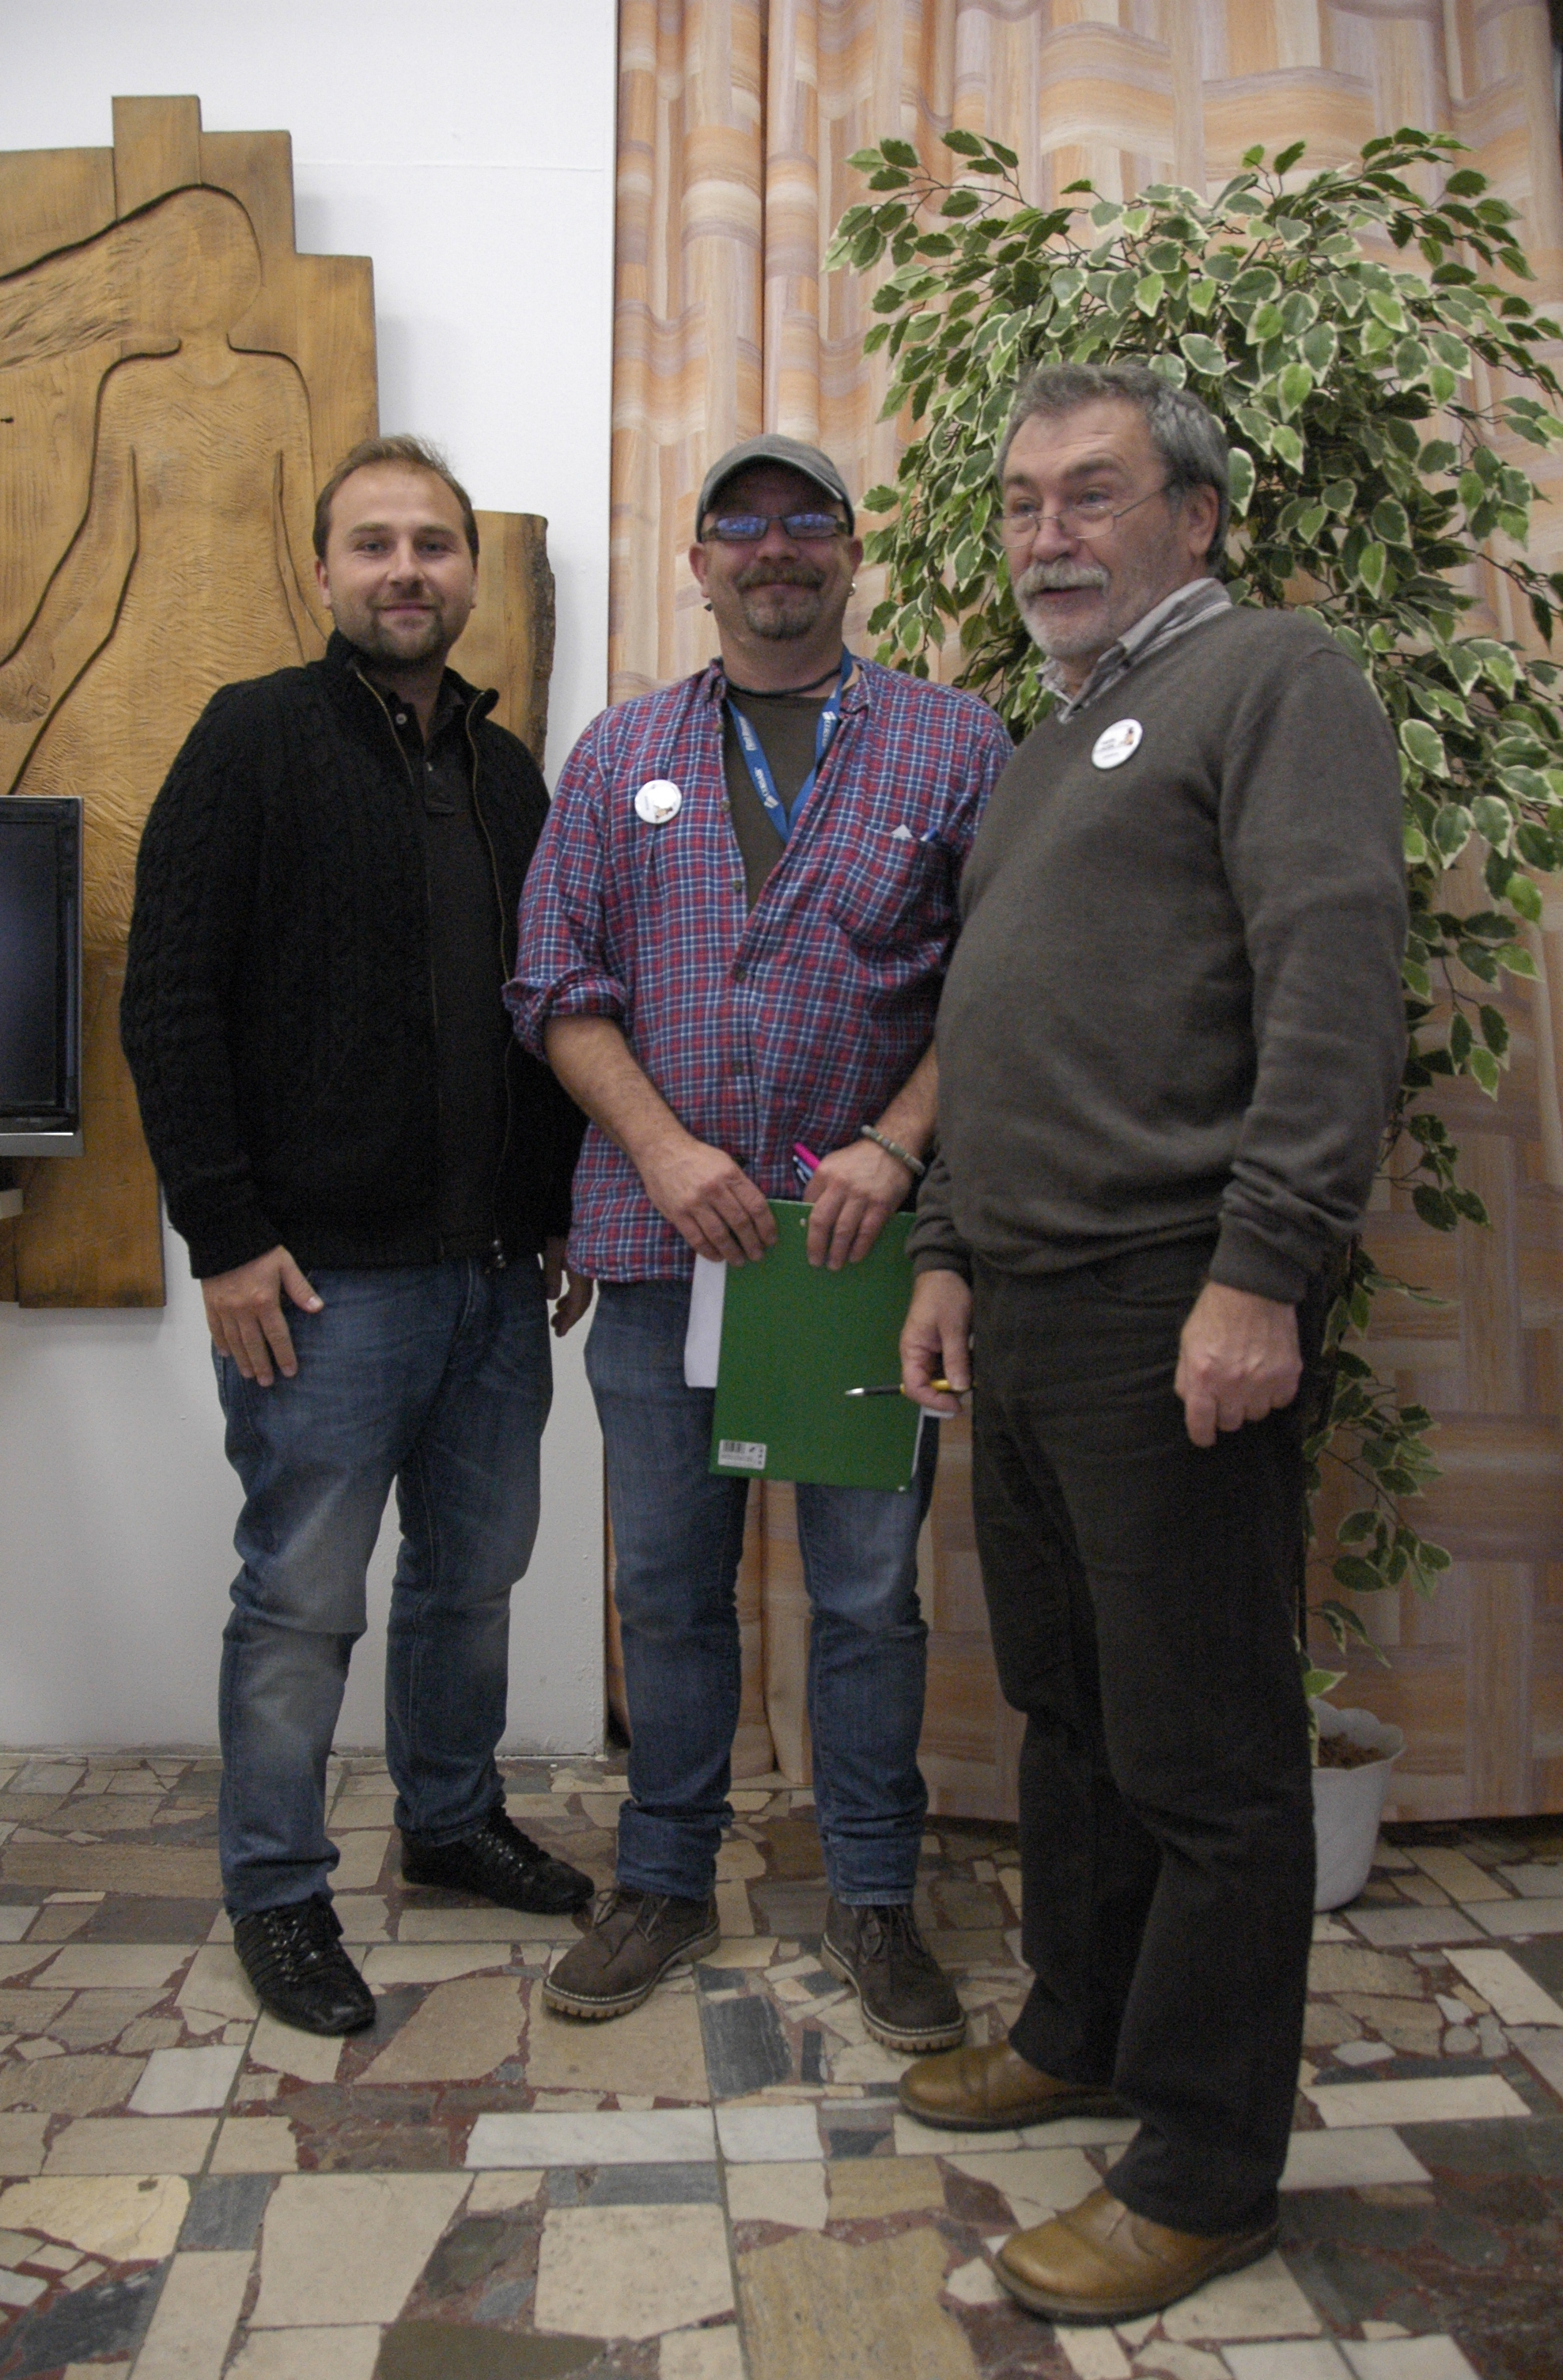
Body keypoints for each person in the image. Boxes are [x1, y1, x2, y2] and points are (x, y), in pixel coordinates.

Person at [896, 363, 1407, 2321]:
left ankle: (1202, 2168)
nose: (1049, 532)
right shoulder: (1050, 741)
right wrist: (946, 1249)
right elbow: (993, 1022)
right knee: (1069, 1713)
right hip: (1028, 1307)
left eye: (1092, 493)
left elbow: (1332, 978)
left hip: (1172, 1293)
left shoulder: (1277, 676)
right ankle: (1083, 2029)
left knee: (1204, 1760)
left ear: (1192, 514)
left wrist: (1262, 1268)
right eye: (1024, 500)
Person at [512, 433, 1012, 2046]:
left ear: (852, 552)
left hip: (854, 1264)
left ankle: (873, 1893)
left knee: (867, 1597)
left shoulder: (955, 743)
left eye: (808, 520)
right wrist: (659, 1150)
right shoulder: (620, 752)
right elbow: (554, 980)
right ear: (699, 560)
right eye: (742, 523)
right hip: (662, 1251)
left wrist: (897, 1143)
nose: (774, 547)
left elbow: (999, 979)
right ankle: (664, 1877)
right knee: (668, 1589)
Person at [122, 435, 592, 2038]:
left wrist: (551, 1207)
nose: (407, 570)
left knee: (473, 1579)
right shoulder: (251, 737)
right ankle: (276, 1887)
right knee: (303, 1602)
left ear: (469, 571)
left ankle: (450, 1820)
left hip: (491, 1282)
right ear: (322, 570)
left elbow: (540, 1009)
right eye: (374, 544)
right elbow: (167, 997)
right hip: (320, 1288)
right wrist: (223, 1236)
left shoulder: (506, 774)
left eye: (433, 544)